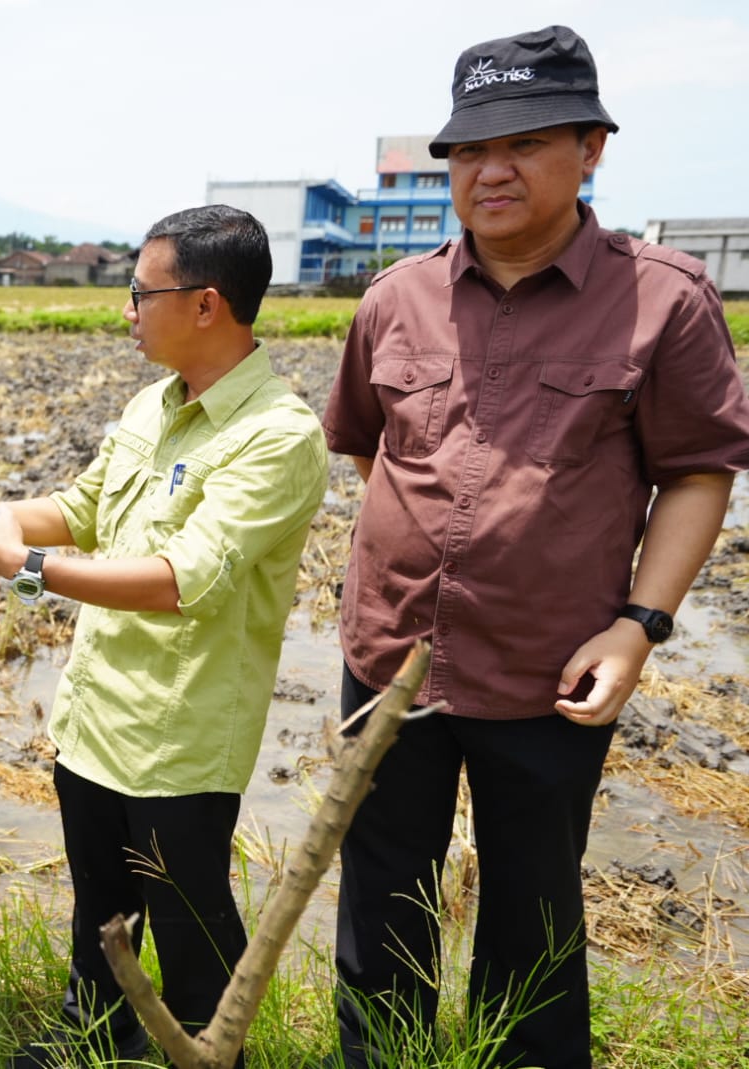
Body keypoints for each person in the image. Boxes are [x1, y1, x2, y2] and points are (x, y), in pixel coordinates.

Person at [324, 25, 749, 1069]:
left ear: (591, 148)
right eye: (469, 150)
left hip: (552, 666)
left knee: (532, 918)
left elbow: (697, 469)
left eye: (523, 142)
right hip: (389, 659)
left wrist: (637, 625)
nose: (491, 170)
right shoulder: (394, 300)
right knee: (383, 907)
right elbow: (369, 452)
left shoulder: (663, 298)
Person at [0, 205, 328, 1069]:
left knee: (189, 918)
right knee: (100, 904)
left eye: (140, 292)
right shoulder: (153, 402)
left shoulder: (278, 436)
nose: (127, 311)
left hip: (180, 734)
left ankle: (205, 1050)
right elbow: (81, 508)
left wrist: (22, 565)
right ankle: (92, 1028)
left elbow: (182, 577)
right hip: (95, 718)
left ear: (205, 304)